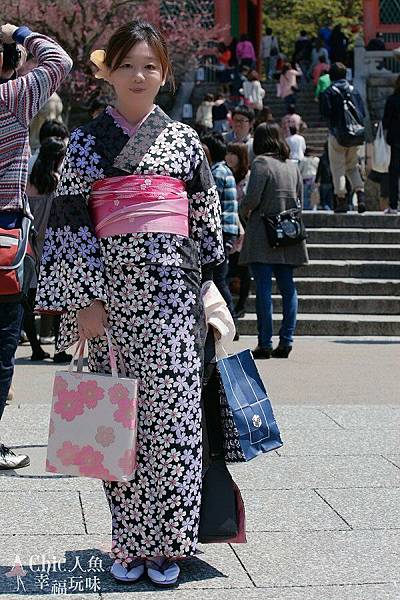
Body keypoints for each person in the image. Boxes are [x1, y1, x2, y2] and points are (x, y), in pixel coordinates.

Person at [35, 19, 225, 586]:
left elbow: (205, 223)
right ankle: (127, 541)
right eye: (126, 65)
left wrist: (206, 288)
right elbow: (69, 223)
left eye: (149, 65)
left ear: (164, 74)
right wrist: (85, 302)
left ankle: (169, 544)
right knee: (117, 420)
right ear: (106, 74)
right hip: (109, 300)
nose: (138, 75)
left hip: (172, 299)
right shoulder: (88, 142)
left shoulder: (186, 141)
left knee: (174, 422)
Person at [0, 23, 72, 470]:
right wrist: (19, 32)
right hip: (4, 236)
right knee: (2, 343)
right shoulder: (11, 98)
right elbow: (60, 61)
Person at [239, 122, 308, 359]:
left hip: (262, 233)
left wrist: (242, 210)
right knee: (289, 288)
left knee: (264, 290)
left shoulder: (260, 163)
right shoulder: (292, 166)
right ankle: (286, 340)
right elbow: (300, 200)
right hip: (287, 234)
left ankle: (265, 343)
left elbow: (252, 199)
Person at [25, 137, 71, 364]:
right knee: (56, 303)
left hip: (30, 249)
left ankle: (35, 348)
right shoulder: (58, 182)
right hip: (54, 249)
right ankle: (59, 351)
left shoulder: (29, 182)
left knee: (28, 302)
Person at [319, 62, 366, 213]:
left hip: (337, 135)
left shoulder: (328, 92)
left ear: (330, 76)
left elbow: (326, 113)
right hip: (356, 135)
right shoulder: (354, 90)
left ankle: (341, 200)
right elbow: (362, 113)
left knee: (338, 168)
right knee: (352, 167)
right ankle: (360, 194)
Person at [202, 134, 238, 324]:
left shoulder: (215, 173)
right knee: (220, 278)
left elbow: (210, 205)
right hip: (228, 229)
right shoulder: (225, 170)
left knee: (218, 279)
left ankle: (229, 320)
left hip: (220, 231)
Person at [225, 142, 251, 318]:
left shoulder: (247, 176)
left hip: (245, 226)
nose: (229, 157)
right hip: (230, 227)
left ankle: (242, 303)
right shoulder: (224, 174)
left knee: (243, 269)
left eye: (233, 154)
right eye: (228, 153)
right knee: (230, 267)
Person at [382, 75, 400, 214]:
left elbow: (386, 122)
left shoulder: (392, 100)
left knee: (394, 172)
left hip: (396, 140)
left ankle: (393, 205)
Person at [315, 141, 334, 210]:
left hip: (324, 181)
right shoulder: (335, 157)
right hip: (332, 181)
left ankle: (326, 210)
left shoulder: (322, 158)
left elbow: (319, 170)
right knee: (330, 200)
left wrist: (316, 180)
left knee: (323, 201)